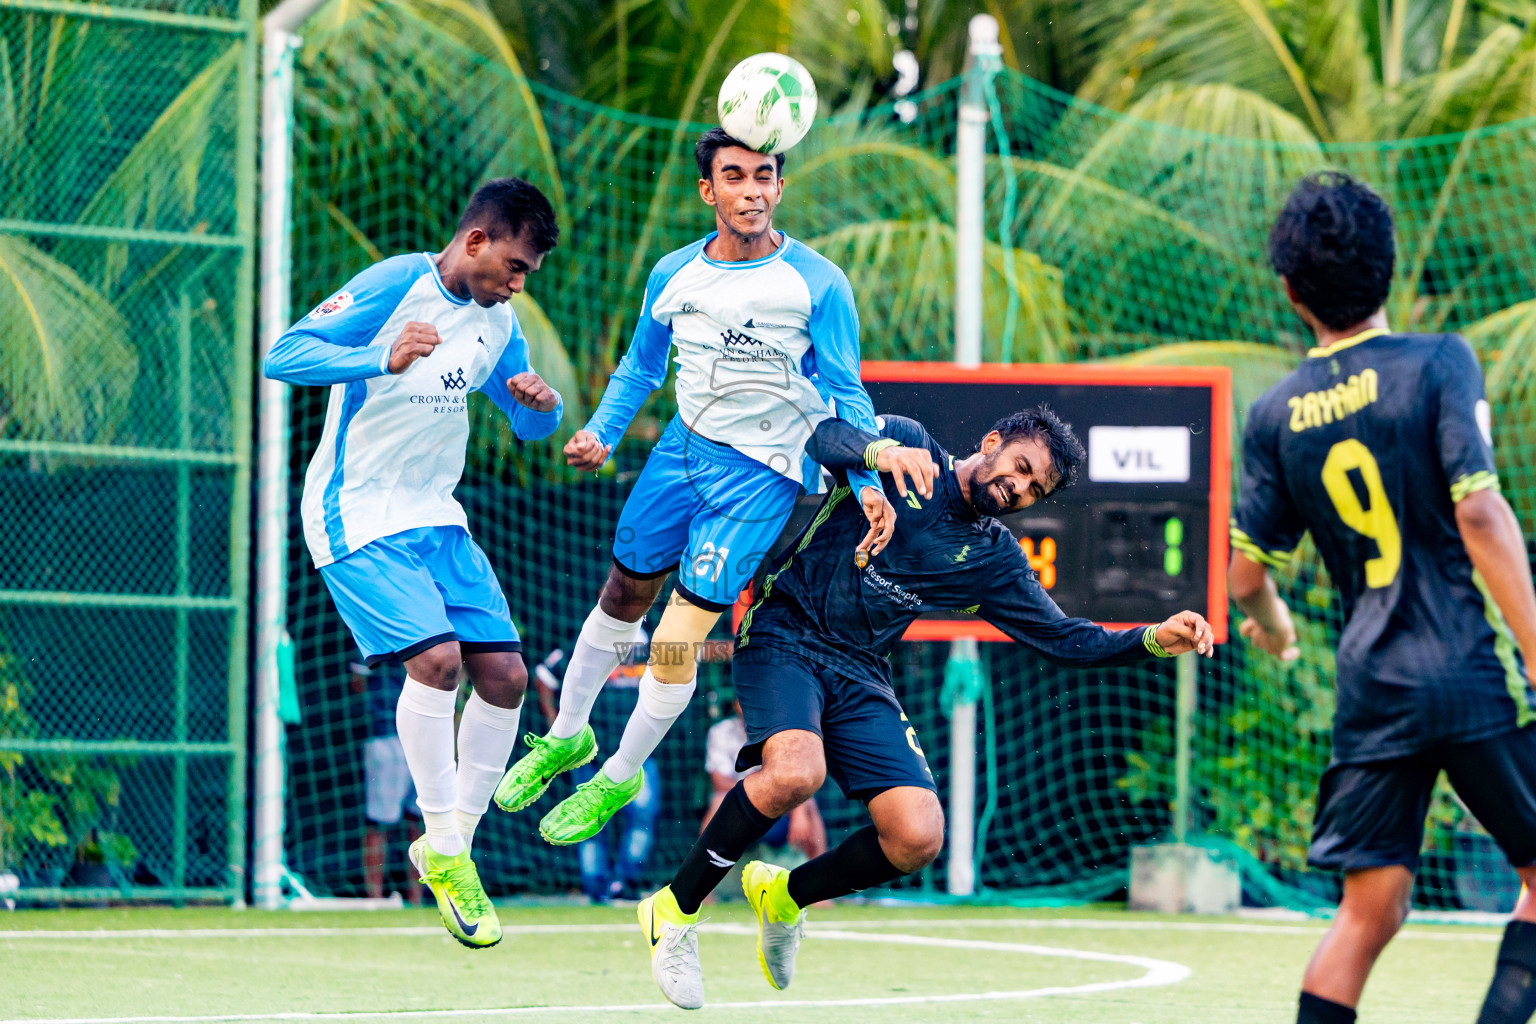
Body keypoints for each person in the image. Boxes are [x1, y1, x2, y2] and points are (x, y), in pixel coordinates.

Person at [637, 409, 1216, 1009]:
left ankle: (784, 896)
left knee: (918, 836)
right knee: (796, 770)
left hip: (861, 670)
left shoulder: (994, 559)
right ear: (991, 442)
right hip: (784, 634)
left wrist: (1150, 638)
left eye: (1035, 489)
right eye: (1021, 467)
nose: (1020, 488)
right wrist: (876, 455)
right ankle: (673, 910)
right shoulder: (910, 447)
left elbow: (1066, 638)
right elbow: (821, 436)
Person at [494, 127, 937, 847]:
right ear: (709, 190)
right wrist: (603, 434)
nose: (752, 190)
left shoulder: (819, 282)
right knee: (620, 595)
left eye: (765, 175)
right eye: (735, 176)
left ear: (780, 186)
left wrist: (865, 481)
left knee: (677, 635)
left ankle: (620, 774)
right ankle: (567, 738)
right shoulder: (674, 272)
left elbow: (846, 394)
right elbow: (641, 367)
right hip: (680, 455)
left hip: (762, 479)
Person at [1228, 172, 1536, 1024]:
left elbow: (1244, 577)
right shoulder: (1441, 360)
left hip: (1372, 690)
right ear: (1390, 266)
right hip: (1469, 669)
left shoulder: (1277, 412)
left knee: (1369, 911)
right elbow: (1479, 510)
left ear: (1290, 293)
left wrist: (1279, 631)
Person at [263, 178, 564, 949]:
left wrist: (541, 407)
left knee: (507, 677)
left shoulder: (501, 322)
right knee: (436, 662)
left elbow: (528, 425)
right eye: (516, 265)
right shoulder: (395, 284)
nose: (518, 282)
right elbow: (284, 353)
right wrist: (377, 354)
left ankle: (447, 845)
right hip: (357, 510)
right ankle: (448, 846)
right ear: (475, 241)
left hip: (437, 516)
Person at [703, 697, 827, 899]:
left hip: (779, 806)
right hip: (739, 806)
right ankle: (703, 890)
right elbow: (719, 782)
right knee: (717, 800)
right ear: (735, 704)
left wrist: (799, 814)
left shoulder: (781, 731)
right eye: (742, 700)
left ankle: (822, 888)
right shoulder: (720, 732)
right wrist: (757, 790)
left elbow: (793, 779)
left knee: (808, 803)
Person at [350, 659, 424, 904]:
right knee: (379, 821)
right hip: (386, 736)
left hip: (427, 737)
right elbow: (357, 681)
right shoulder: (372, 624)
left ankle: (417, 899)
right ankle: (376, 899)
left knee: (422, 821)